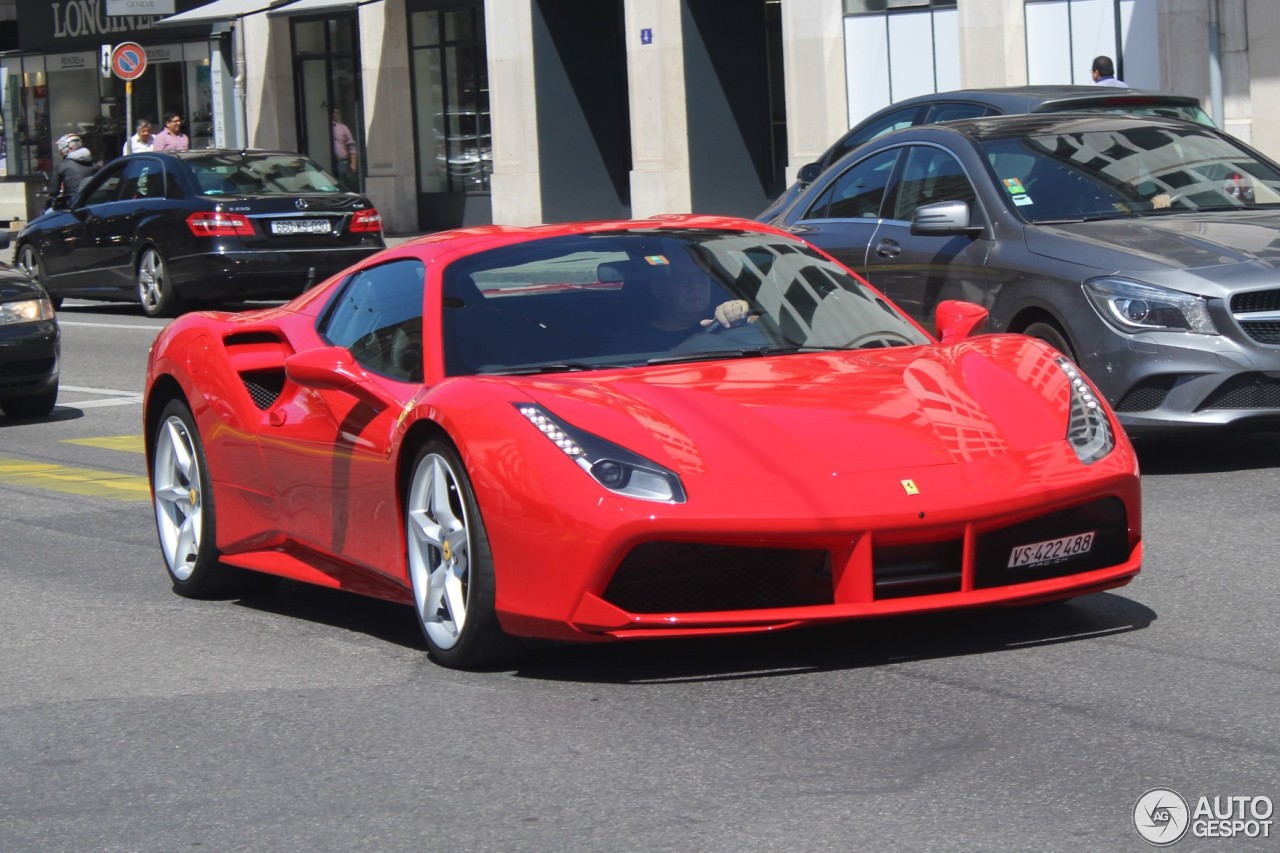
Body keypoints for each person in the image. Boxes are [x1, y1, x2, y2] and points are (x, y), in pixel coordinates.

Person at [600, 257, 753, 355]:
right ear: (658, 290)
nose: (695, 286)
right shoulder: (629, 343)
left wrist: (739, 312)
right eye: (682, 280)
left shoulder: (726, 325)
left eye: (701, 279)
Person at [47, 134, 100, 201]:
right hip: (95, 201)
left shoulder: (62, 166)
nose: (61, 153)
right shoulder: (94, 165)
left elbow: (53, 191)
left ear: (70, 148)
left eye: (61, 150)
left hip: (74, 204)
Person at [332, 108, 358, 188]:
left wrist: (353, 163)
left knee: (343, 186)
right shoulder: (324, 127)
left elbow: (351, 145)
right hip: (328, 162)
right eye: (333, 113)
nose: (334, 115)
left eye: (337, 113)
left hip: (342, 163)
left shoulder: (343, 128)